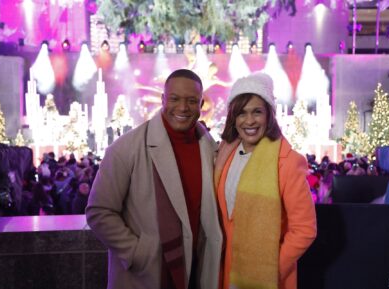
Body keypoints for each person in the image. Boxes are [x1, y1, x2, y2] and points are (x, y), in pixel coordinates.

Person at [86, 69, 222, 289]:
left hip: (197, 270)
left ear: (201, 104)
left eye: (191, 101)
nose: (183, 108)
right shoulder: (126, 148)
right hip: (146, 274)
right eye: (175, 99)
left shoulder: (209, 147)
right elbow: (99, 211)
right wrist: (138, 253)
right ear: (163, 100)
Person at [214, 72, 317, 289]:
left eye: (257, 112)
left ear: (269, 115)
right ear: (233, 118)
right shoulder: (226, 152)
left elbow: (305, 229)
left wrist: (269, 270)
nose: (249, 120)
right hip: (224, 271)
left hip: (264, 278)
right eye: (241, 113)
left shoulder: (287, 162)